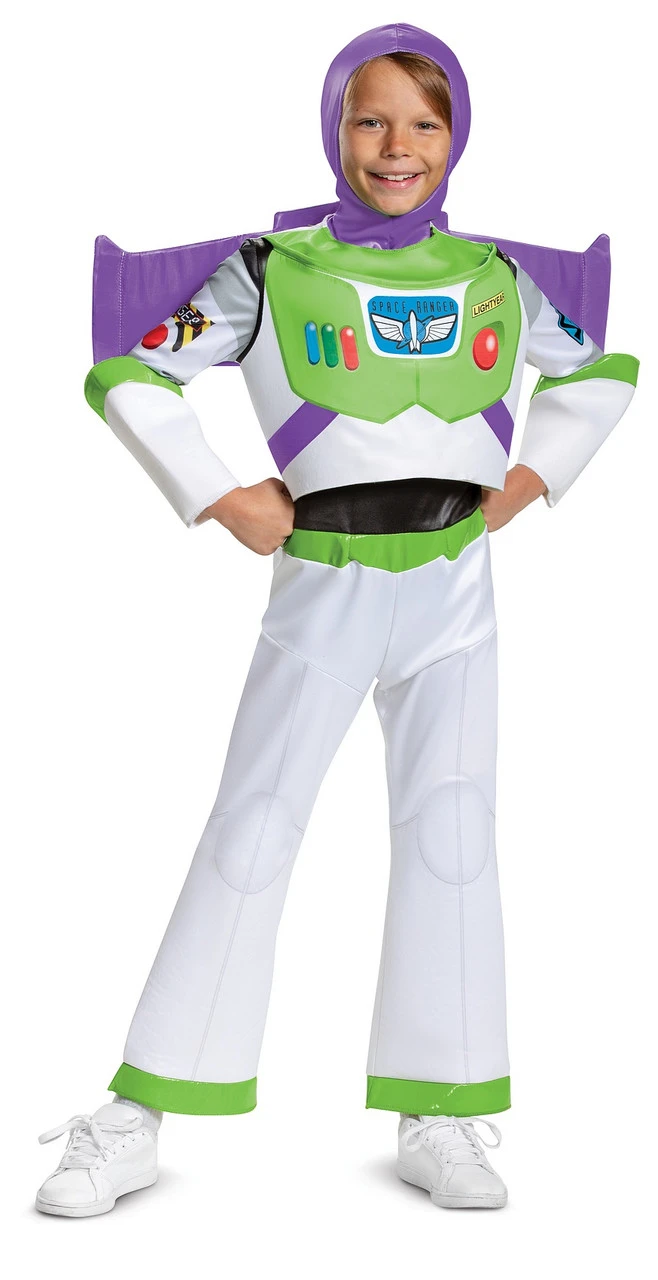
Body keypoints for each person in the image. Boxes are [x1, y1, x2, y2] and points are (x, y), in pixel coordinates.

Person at [35, 23, 638, 1217]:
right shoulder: (271, 270)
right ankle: (141, 1108)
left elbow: (596, 370)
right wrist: (221, 495)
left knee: (453, 833)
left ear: (456, 136)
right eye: (370, 119)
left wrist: (527, 482)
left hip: (455, 585)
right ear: (333, 127)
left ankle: (441, 1107)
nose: (395, 147)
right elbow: (134, 372)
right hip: (325, 579)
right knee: (253, 827)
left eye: (423, 123)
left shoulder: (496, 276)